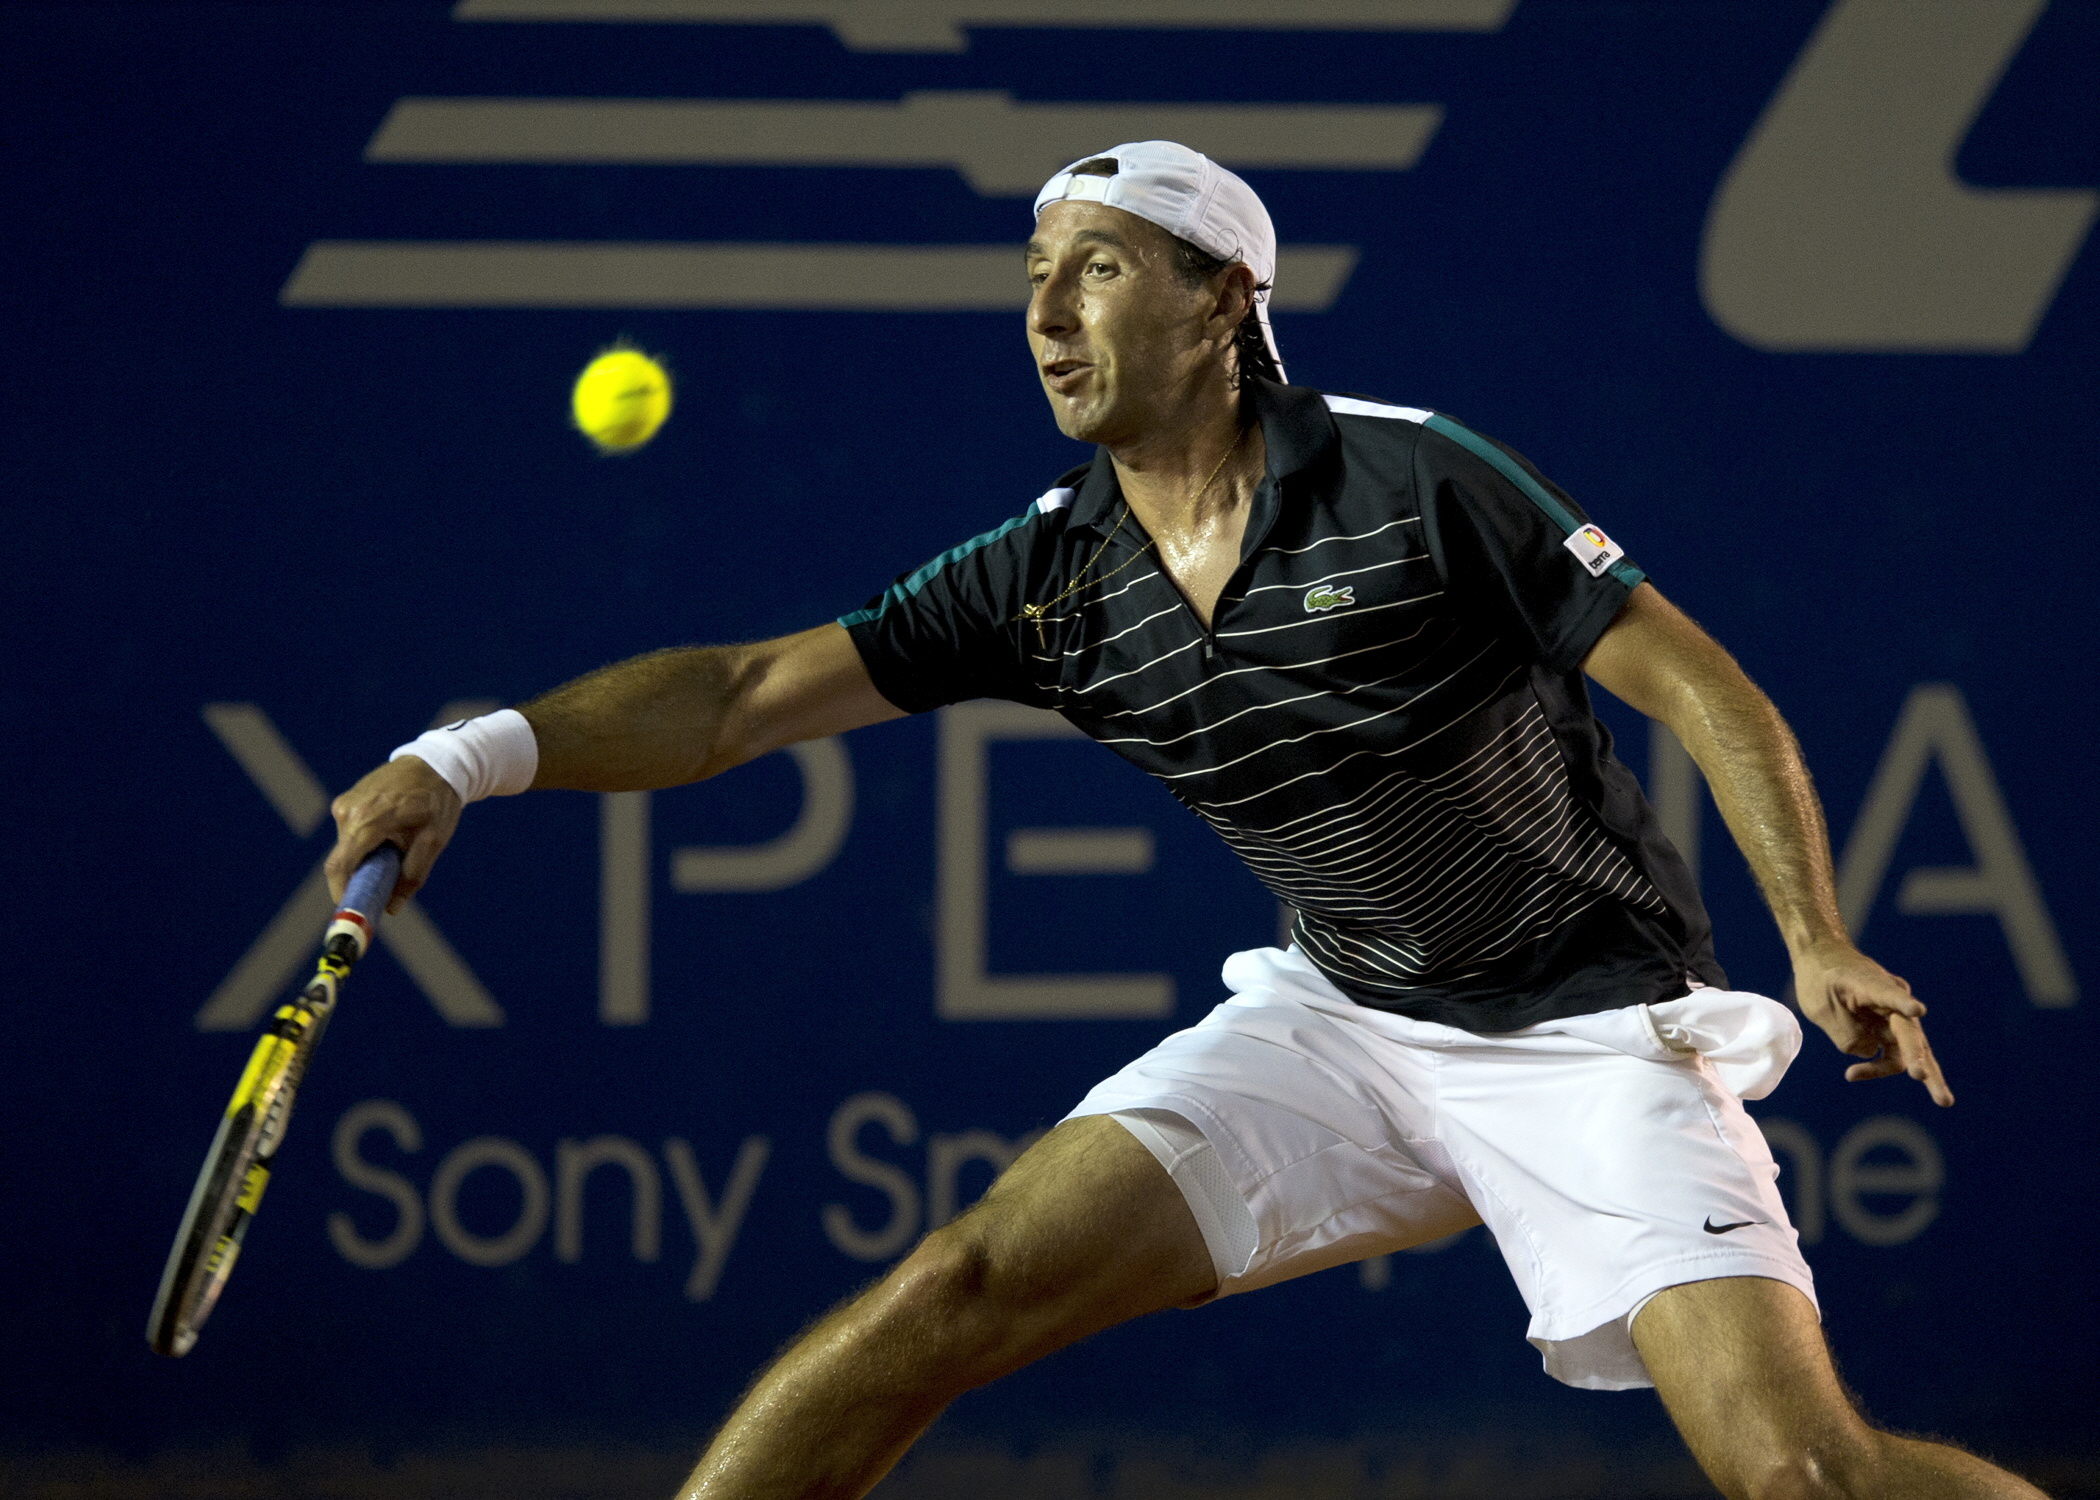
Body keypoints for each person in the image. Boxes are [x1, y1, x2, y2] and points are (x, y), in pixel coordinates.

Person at [327, 142, 2045, 1500]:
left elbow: (1704, 687)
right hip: (1340, 1024)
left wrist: (1815, 936)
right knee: (951, 1292)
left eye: (1097, 268)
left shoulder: (1415, 477)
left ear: (1226, 299)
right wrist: (467, 757)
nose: (1046, 314)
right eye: (1033, 277)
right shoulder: (1047, 576)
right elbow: (736, 695)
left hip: (1589, 1034)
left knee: (1799, 1474)